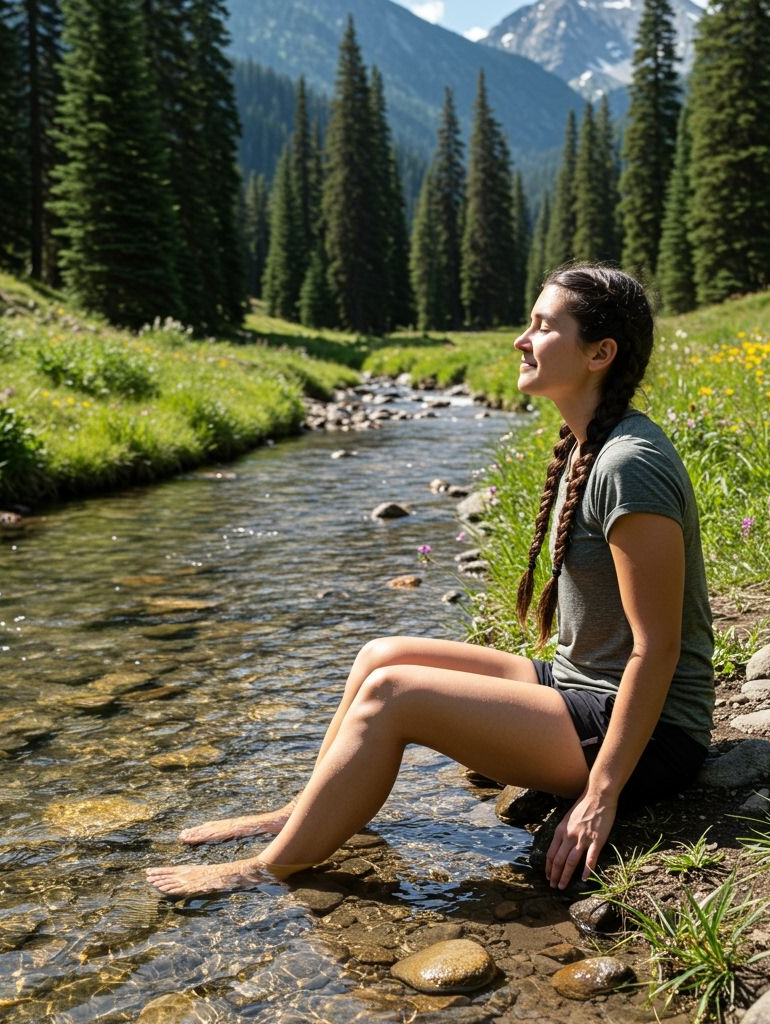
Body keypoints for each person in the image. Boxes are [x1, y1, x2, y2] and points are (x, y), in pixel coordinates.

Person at [147, 265, 714, 898]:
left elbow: (656, 646)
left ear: (599, 353)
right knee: (381, 657)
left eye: (542, 326)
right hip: (583, 684)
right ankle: (303, 815)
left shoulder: (628, 465)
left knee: (394, 695)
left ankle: (268, 867)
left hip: (649, 734)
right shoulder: (589, 442)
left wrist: (600, 796)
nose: (521, 341)